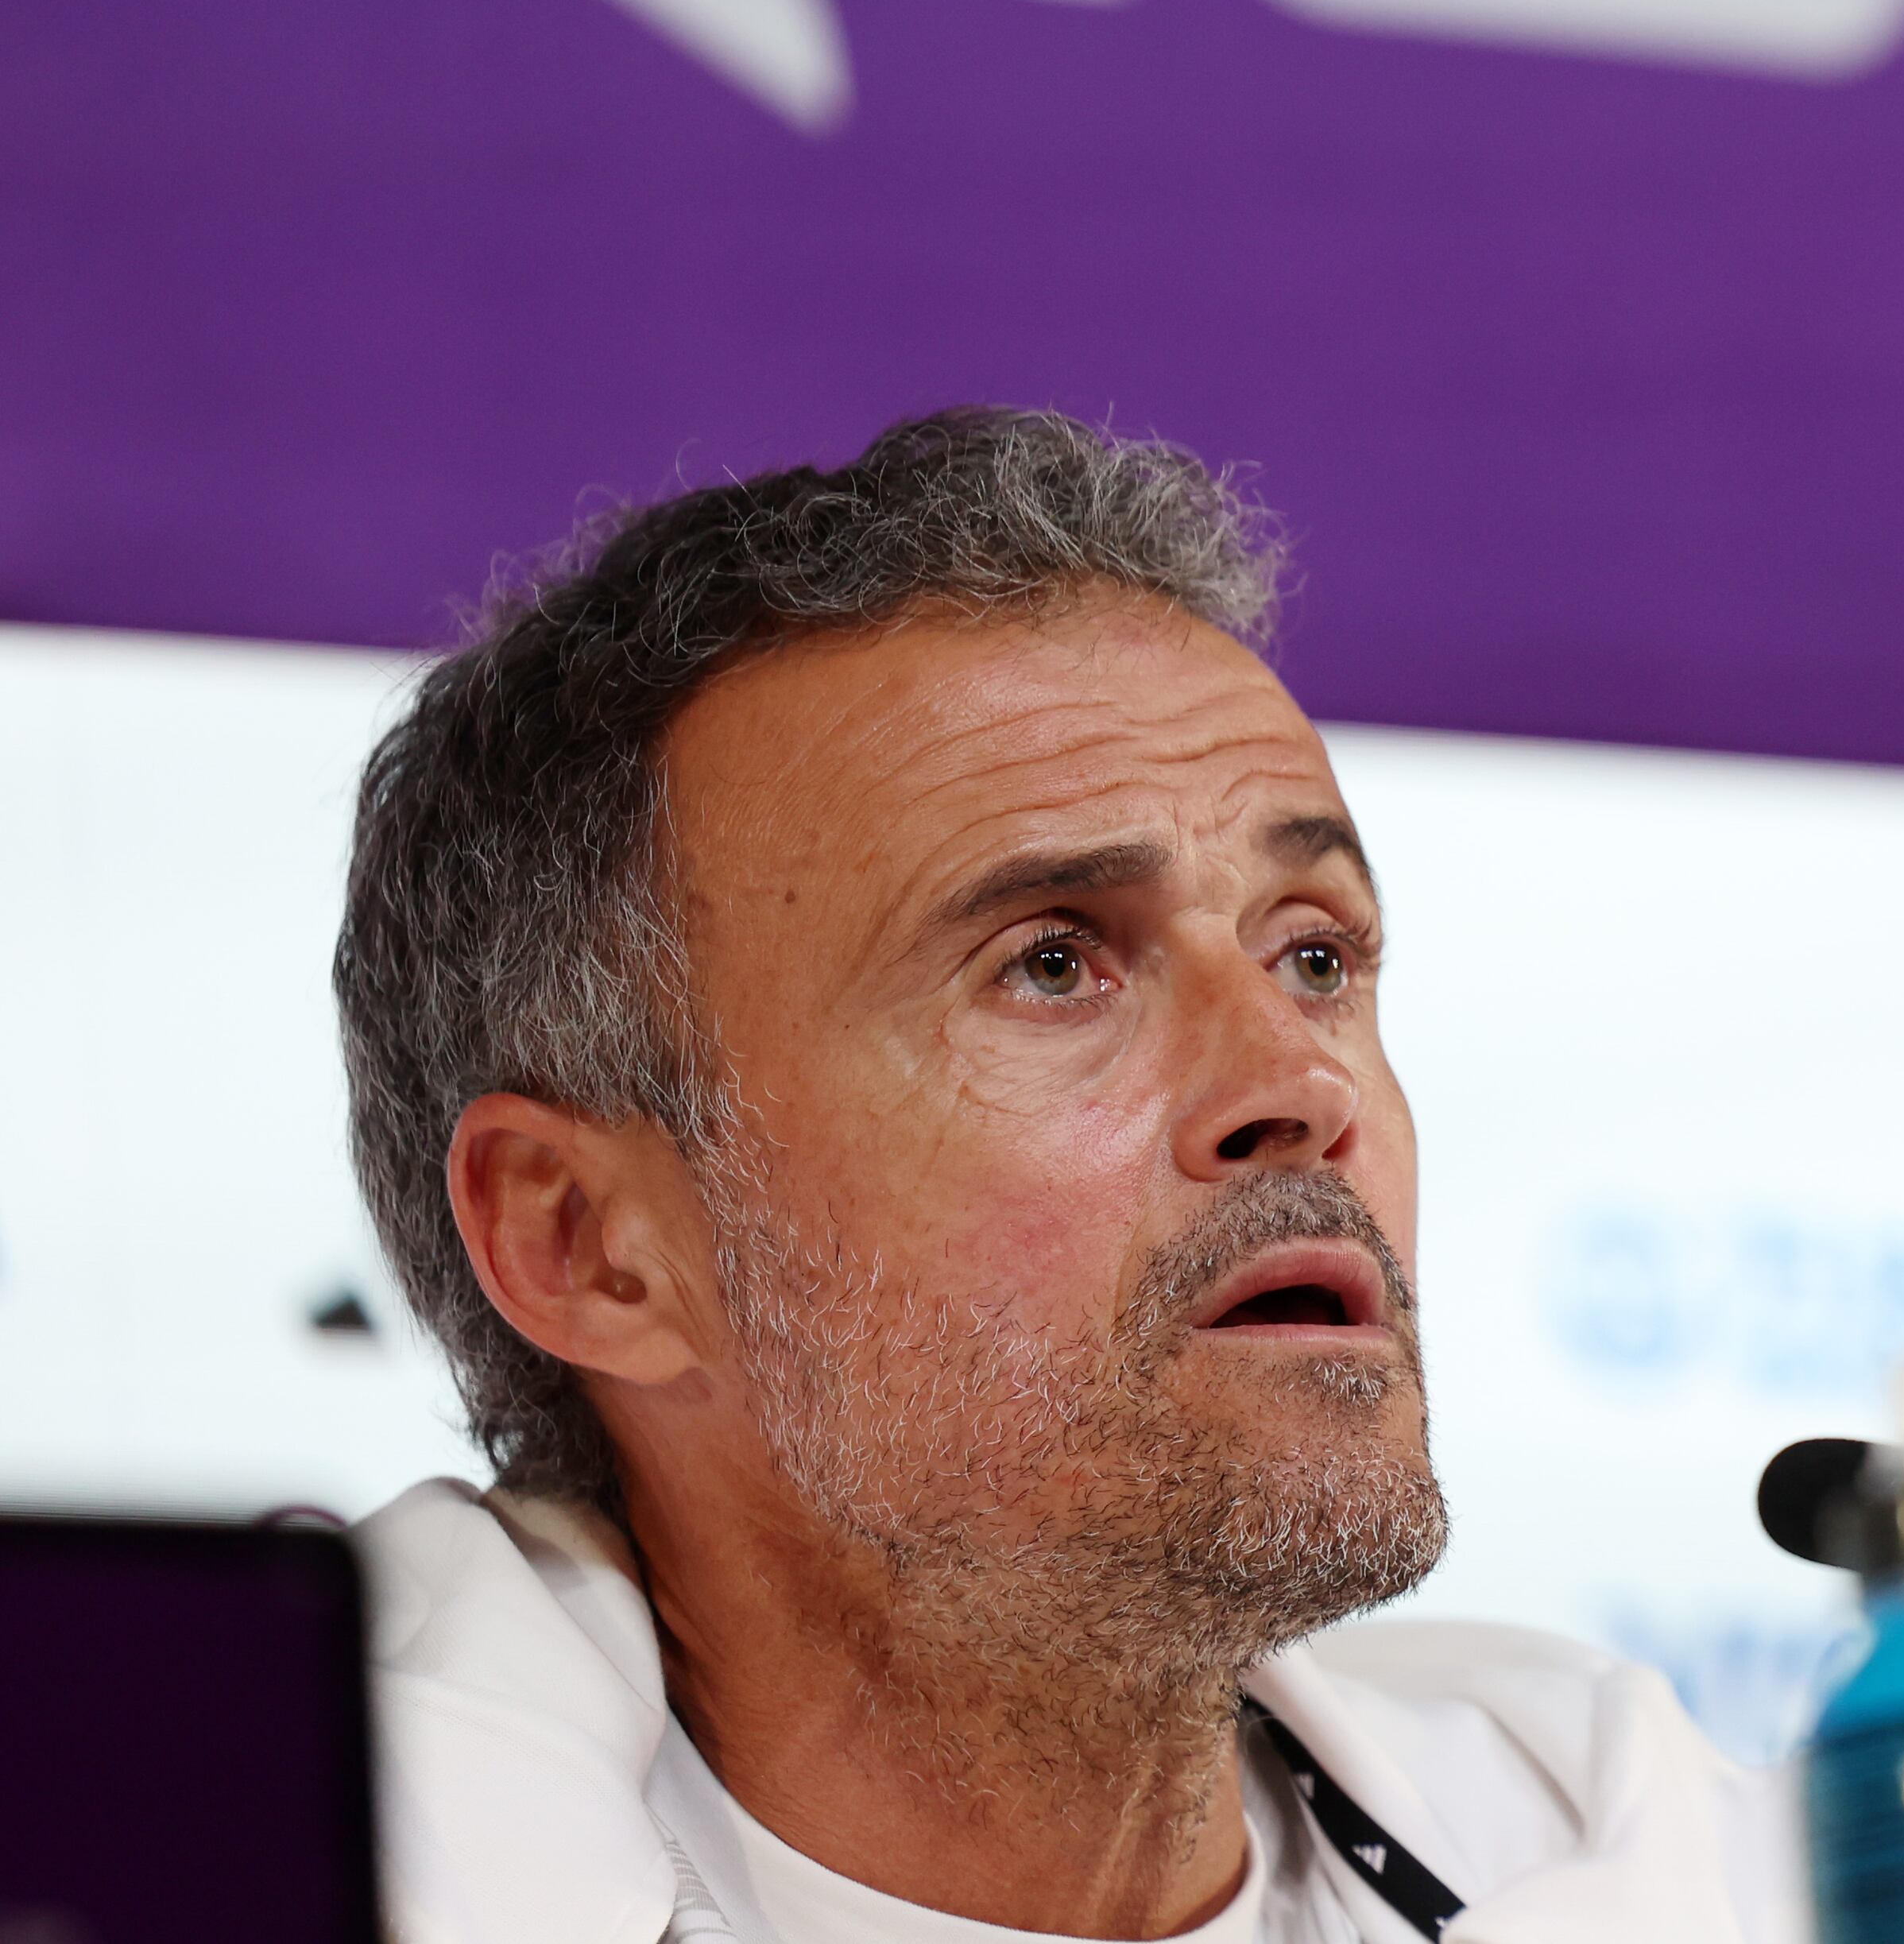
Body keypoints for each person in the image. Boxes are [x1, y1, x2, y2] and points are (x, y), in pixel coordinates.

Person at [333, 409, 1777, 1944]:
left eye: (1313, 953)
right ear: (591, 1244)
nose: (1297, 1085)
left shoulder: (1678, 1869)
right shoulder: (254, 1867)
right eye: (1051, 964)